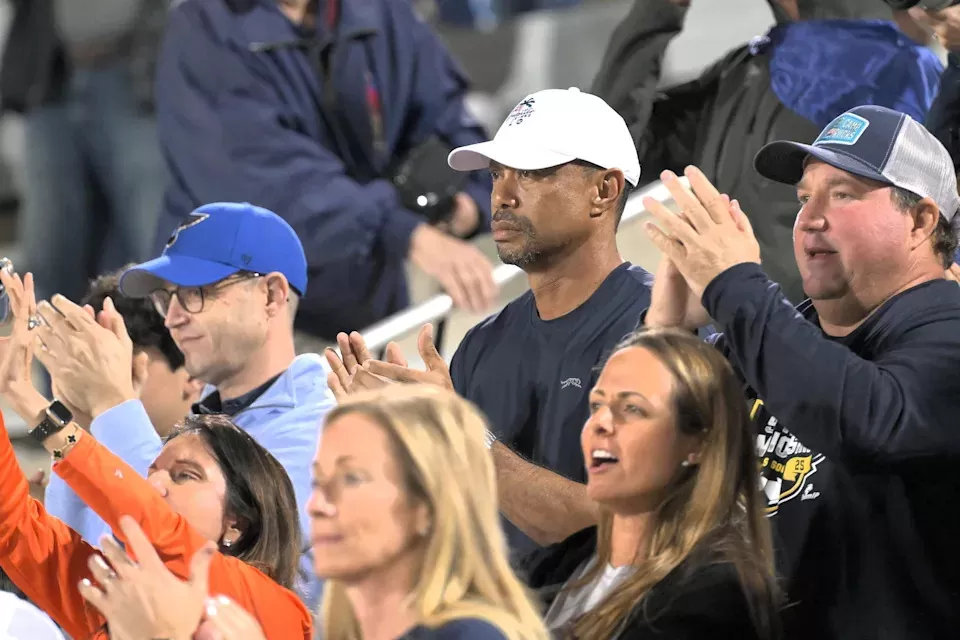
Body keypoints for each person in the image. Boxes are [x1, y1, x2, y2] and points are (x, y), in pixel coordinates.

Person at [642, 106, 960, 638]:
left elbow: (869, 422)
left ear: (921, 221)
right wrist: (666, 329)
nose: (810, 217)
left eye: (842, 194)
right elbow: (639, 468)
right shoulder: (774, 338)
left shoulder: (949, 331)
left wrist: (736, 285)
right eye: (802, 198)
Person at [328, 87, 652, 562]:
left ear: (604, 190)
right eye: (498, 173)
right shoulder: (483, 343)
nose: (501, 195)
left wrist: (460, 431)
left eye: (531, 173)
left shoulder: (656, 329)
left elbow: (617, 523)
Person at [33, 202, 336, 604]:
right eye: (167, 298)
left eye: (196, 293)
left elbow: (180, 554)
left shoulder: (322, 430)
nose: (173, 316)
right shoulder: (192, 426)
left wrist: (112, 402)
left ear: (271, 295)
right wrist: (85, 423)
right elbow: (80, 568)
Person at [153, 0, 498, 340]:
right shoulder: (204, 30)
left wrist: (466, 201)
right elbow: (273, 185)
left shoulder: (381, 11)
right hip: (242, 313)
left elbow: (447, 119)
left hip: (364, 300)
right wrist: (403, 231)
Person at [0, 269, 311, 640]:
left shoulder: (274, 606)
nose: (155, 483)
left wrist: (37, 408)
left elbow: (158, 524)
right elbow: (13, 525)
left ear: (237, 523)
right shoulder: (119, 597)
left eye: (185, 475)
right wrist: (13, 390)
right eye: (152, 471)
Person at [590, 0, 943, 304]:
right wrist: (660, 9)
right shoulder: (745, 67)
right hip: (727, 343)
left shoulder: (900, 69)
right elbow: (609, 153)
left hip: (825, 355)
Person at [522, 328, 780, 639]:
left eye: (632, 408)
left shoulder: (716, 594)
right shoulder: (567, 558)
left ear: (698, 442)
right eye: (596, 405)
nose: (600, 423)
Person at [0, 0, 168, 304]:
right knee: (47, 259)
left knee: (152, 249)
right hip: (50, 73)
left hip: (138, 72)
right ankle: (43, 349)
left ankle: (160, 344)